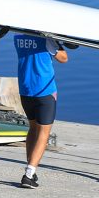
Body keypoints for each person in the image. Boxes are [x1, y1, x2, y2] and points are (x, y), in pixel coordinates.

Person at [13, 33, 68, 189]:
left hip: (26, 89)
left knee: (33, 128)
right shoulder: (47, 40)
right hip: (45, 90)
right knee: (44, 133)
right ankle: (29, 174)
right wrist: (57, 43)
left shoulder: (18, 37)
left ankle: (31, 167)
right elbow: (64, 58)